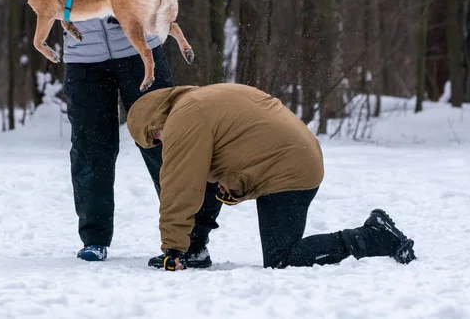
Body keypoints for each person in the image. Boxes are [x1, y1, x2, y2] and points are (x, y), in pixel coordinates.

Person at [0, 0, 222, 266]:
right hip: (85, 64)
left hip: (138, 55)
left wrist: (123, 4)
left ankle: (192, 237)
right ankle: (95, 238)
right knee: (91, 151)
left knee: (165, 145)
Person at [126, 83, 417, 270]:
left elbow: (180, 185)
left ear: (155, 122)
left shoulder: (183, 117)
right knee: (207, 181)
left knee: (283, 260)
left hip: (288, 173)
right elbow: (208, 178)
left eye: (156, 139)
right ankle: (196, 249)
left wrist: (173, 248)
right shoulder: (204, 99)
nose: (162, 143)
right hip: (301, 159)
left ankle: (373, 236)